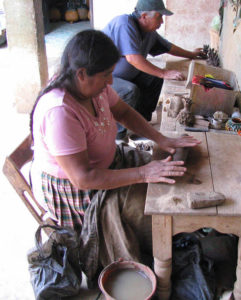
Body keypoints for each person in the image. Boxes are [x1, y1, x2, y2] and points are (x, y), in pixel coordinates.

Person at [30, 29, 200, 285]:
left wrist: (162, 139)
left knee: (170, 172)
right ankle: (148, 264)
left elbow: (124, 113)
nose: (111, 81)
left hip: (107, 161)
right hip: (74, 188)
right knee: (150, 204)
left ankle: (164, 243)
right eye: (106, 74)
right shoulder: (59, 112)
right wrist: (143, 173)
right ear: (81, 74)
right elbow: (84, 178)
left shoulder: (92, 89)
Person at [103, 0, 205, 139]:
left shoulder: (148, 32)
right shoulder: (124, 24)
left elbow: (169, 47)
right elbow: (133, 59)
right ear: (144, 16)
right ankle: (117, 136)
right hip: (104, 79)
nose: (162, 22)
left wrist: (191, 54)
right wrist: (164, 73)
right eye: (159, 17)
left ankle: (141, 124)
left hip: (127, 75)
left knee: (155, 78)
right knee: (130, 90)